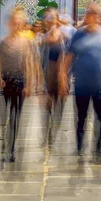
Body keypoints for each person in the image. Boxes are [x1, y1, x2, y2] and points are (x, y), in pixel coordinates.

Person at [66, 2, 101, 163]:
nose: (92, 16)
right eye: (89, 13)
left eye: (95, 14)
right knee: (81, 117)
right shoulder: (79, 34)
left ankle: (99, 150)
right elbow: (70, 56)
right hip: (82, 84)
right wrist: (63, 76)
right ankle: (80, 147)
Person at [0, 9, 36, 162]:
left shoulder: (26, 42)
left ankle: (11, 148)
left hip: (20, 81)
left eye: (19, 22)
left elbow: (29, 63)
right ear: (9, 24)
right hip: (6, 81)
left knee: (16, 117)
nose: (16, 25)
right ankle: (4, 145)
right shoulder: (3, 43)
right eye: (14, 22)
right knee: (4, 116)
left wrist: (29, 84)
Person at [40, 9, 68, 147]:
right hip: (48, 76)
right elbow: (39, 60)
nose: (48, 20)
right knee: (48, 107)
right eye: (47, 18)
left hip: (60, 77)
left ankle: (54, 134)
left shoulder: (64, 37)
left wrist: (64, 77)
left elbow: (68, 57)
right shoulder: (44, 39)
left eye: (51, 18)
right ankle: (48, 135)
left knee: (58, 107)